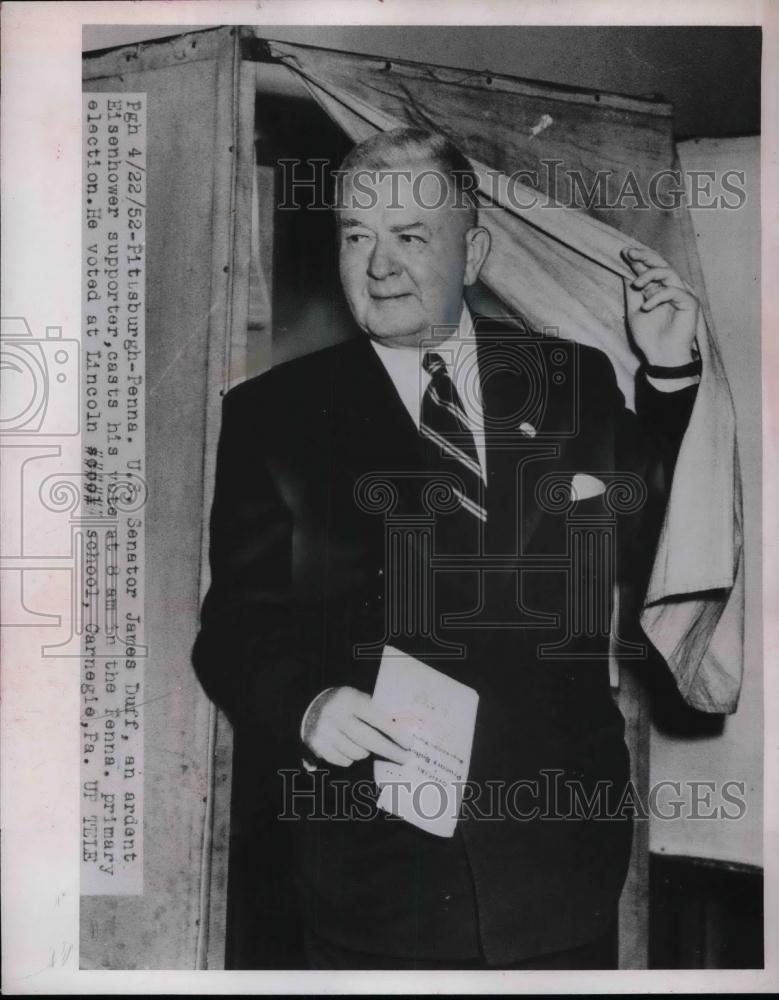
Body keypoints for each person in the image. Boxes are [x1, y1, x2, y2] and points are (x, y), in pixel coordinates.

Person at [192, 127, 702, 970]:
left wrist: (668, 376)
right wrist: (309, 707)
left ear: (473, 253)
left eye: (410, 236)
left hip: (558, 851)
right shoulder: (273, 415)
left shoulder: (568, 378)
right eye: (357, 235)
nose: (378, 265)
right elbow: (235, 630)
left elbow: (651, 535)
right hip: (375, 867)